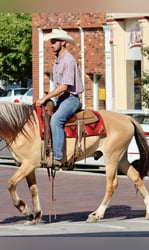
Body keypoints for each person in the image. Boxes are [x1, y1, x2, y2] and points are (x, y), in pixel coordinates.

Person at [36, 28, 84, 167]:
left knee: (56, 120)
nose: (51, 44)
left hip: (71, 99)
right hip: (61, 98)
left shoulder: (68, 61)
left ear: (63, 42)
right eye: (51, 42)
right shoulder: (58, 60)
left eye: (54, 41)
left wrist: (45, 98)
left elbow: (64, 86)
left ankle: (58, 157)